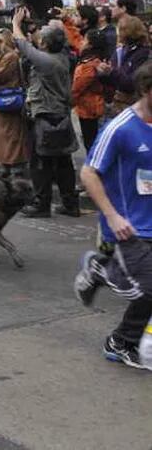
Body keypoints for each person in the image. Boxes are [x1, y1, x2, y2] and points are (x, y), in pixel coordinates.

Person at [74, 60, 152, 370]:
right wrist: (112, 216)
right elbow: (89, 173)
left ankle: (123, 340)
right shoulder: (119, 127)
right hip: (127, 224)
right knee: (149, 287)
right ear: (146, 91)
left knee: (148, 289)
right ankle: (103, 272)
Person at [12, 10, 80, 218]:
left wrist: (15, 23)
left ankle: (41, 204)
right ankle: (70, 204)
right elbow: (52, 39)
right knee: (63, 163)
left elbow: (22, 45)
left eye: (42, 38)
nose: (38, 38)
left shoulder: (47, 62)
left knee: (40, 163)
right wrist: (33, 24)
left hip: (45, 117)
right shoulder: (64, 56)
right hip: (61, 115)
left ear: (46, 45)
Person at [0, 29, 30, 179]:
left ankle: (15, 166)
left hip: (8, 100)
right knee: (1, 135)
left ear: (2, 41)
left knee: (11, 135)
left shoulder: (11, 57)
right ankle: (6, 165)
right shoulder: (0, 56)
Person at [72, 28, 112, 152]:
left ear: (90, 45)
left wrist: (68, 101)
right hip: (91, 107)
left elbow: (77, 88)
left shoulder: (89, 65)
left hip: (89, 109)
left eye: (84, 40)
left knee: (91, 144)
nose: (82, 42)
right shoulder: (96, 60)